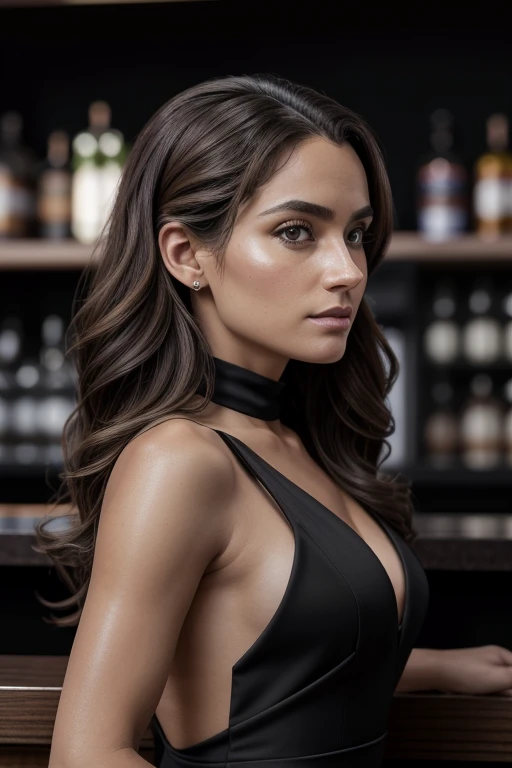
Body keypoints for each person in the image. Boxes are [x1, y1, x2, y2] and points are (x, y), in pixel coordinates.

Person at [39, 74, 512, 768]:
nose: (348, 269)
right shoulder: (180, 459)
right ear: (185, 254)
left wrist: (435, 668)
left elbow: (273, 671)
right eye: (297, 232)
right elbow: (86, 754)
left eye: (356, 235)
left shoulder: (293, 438)